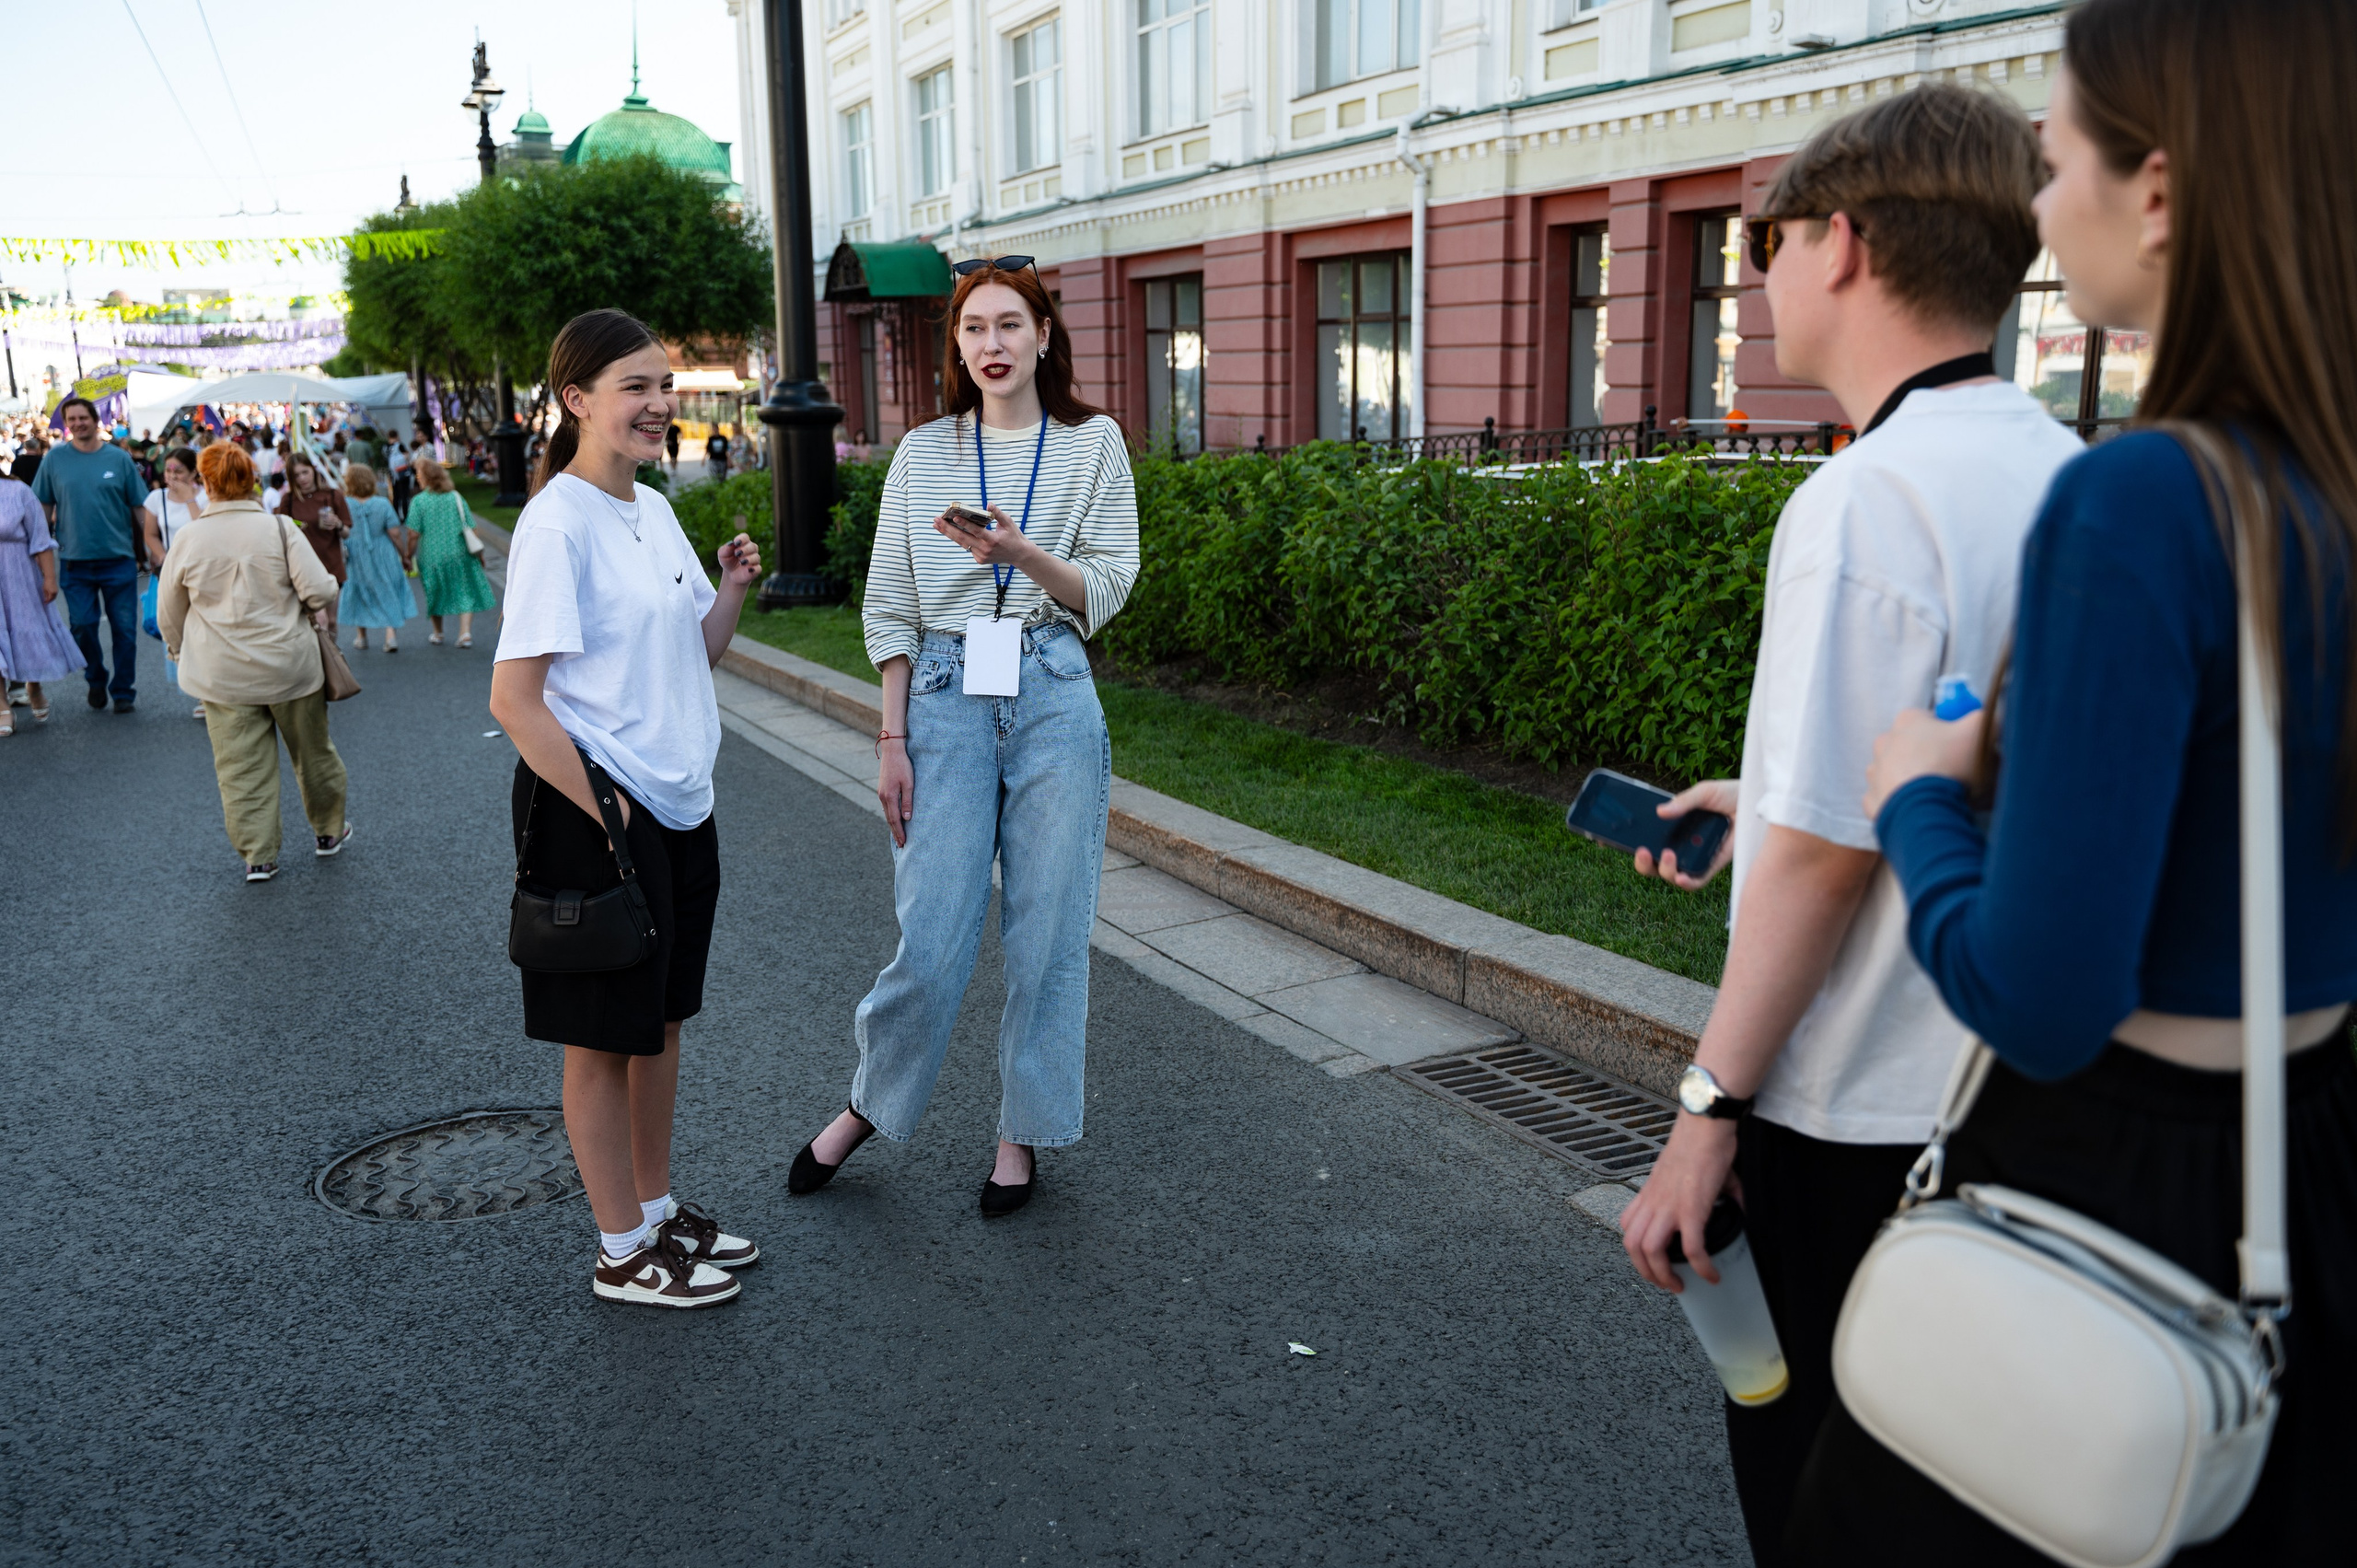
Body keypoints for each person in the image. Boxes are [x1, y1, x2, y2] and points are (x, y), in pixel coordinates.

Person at [1789, 2, 2357, 1560]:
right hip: (2307, 1152)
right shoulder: (2316, 490)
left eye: (2059, 163)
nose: (2040, 215)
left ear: (2160, 189)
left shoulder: (2146, 499)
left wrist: (1918, 792)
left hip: (2121, 1176)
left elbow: (2038, 992)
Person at [1608, 85, 2083, 1566]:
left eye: (1767, 237)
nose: (1754, 272)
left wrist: (1704, 1118)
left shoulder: (1868, 496)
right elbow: (1968, 776)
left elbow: (1825, 862)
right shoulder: (2063, 473)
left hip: (1857, 1123)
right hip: (2020, 1104)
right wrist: (1772, 795)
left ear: (1847, 243)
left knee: (1826, 1498)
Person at [789, 259, 1139, 1218]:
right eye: (973, 327)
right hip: (942, 692)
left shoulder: (1093, 443)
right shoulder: (924, 452)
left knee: (1047, 930)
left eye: (1008, 325)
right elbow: (891, 600)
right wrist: (890, 735)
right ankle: (871, 1099)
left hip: (1052, 689)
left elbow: (1107, 587)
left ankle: (1020, 1130)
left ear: (1043, 336)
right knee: (932, 932)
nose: (991, 344)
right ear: (957, 344)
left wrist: (1018, 551)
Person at [487, 308, 767, 1309]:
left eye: (664, 385)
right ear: (576, 400)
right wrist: (609, 817)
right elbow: (513, 698)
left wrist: (730, 589)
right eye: (634, 388)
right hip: (597, 803)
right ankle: (619, 1249)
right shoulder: (557, 522)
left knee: (661, 1020)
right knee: (602, 1038)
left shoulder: (650, 506)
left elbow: (694, 650)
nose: (657, 405)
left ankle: (654, 1212)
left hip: (681, 797)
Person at [157, 441, 352, 884]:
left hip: (221, 673)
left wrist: (178, 651)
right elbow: (321, 592)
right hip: (290, 665)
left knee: (240, 767)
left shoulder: (189, 537)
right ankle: (327, 831)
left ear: (205, 482)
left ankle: (259, 855)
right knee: (314, 754)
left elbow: (169, 611)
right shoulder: (279, 529)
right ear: (252, 479)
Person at [31, 396, 148, 714]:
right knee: (82, 626)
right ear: (66, 424)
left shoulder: (119, 459)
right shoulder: (54, 461)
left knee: (124, 630)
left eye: (83, 418)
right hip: (75, 562)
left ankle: (123, 690)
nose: (78, 423)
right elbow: (43, 505)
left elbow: (140, 505)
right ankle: (96, 678)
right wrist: (36, 548)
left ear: (95, 420)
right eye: (72, 419)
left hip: (118, 559)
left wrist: (154, 544)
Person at [0, 459, 85, 736]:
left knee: (27, 632)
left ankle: (33, 684)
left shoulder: (17, 491)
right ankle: (2, 705)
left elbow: (40, 537)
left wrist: (49, 578)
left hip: (19, 575)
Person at [140, 447, 211, 719]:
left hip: (202, 572)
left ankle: (208, 694)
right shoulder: (156, 498)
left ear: (194, 473)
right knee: (181, 633)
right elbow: (150, 534)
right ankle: (200, 689)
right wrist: (163, 556)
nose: (172, 476)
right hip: (172, 574)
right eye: (168, 470)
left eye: (179, 471)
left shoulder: (205, 497)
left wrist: (188, 498)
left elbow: (204, 530)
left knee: (204, 631)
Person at [407, 456, 494, 646]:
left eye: (419, 474)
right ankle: (465, 633)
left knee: (434, 591)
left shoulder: (419, 502)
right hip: (459, 553)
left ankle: (438, 633)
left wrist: (407, 555)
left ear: (427, 477)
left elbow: (413, 533)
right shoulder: (455, 497)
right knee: (464, 591)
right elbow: (471, 527)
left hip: (431, 556)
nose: (417, 478)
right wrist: (479, 555)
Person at [336, 463, 412, 654]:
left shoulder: (345, 504)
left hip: (355, 553)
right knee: (387, 588)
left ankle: (361, 637)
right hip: (382, 551)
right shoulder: (382, 503)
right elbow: (394, 533)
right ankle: (390, 635)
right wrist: (404, 555)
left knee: (359, 590)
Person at [274, 455, 352, 636]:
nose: (302, 478)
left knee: (331, 621)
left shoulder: (333, 495)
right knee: (320, 620)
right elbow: (279, 531)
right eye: (297, 475)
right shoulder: (289, 499)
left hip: (331, 564)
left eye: (305, 472)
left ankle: (332, 659)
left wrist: (338, 524)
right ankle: (321, 663)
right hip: (303, 566)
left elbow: (346, 533)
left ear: (314, 470)